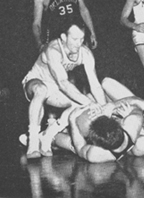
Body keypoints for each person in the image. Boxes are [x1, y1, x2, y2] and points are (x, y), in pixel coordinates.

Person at [22, 19, 106, 159]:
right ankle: (33, 141)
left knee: (78, 104)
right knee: (42, 90)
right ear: (63, 37)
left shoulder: (85, 53)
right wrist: (90, 103)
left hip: (55, 91)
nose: (78, 44)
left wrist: (104, 110)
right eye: (74, 39)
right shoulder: (53, 50)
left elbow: (95, 84)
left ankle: (48, 135)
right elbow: (63, 83)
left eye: (81, 39)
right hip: (36, 82)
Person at [36, 77, 144, 162]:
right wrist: (111, 106)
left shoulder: (142, 145)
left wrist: (72, 121)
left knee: (72, 140)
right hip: (121, 130)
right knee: (106, 84)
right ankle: (90, 106)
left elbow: (80, 148)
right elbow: (136, 102)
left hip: (113, 147)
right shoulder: (143, 118)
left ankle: (45, 136)